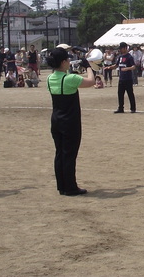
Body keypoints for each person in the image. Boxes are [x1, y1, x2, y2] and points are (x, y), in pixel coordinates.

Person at [46, 47, 95, 196]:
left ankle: (62, 185)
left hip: (56, 119)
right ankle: (71, 187)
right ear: (63, 62)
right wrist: (88, 67)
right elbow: (91, 81)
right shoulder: (70, 79)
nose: (69, 61)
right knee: (70, 155)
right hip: (70, 121)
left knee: (60, 153)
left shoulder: (50, 78)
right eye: (67, 59)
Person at [112, 42, 136, 113]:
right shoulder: (120, 57)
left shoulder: (129, 57)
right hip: (121, 78)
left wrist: (127, 69)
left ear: (125, 48)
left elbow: (133, 67)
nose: (120, 50)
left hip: (128, 78)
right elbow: (116, 65)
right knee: (120, 94)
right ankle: (120, 108)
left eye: (121, 48)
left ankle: (133, 108)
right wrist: (109, 67)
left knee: (130, 93)